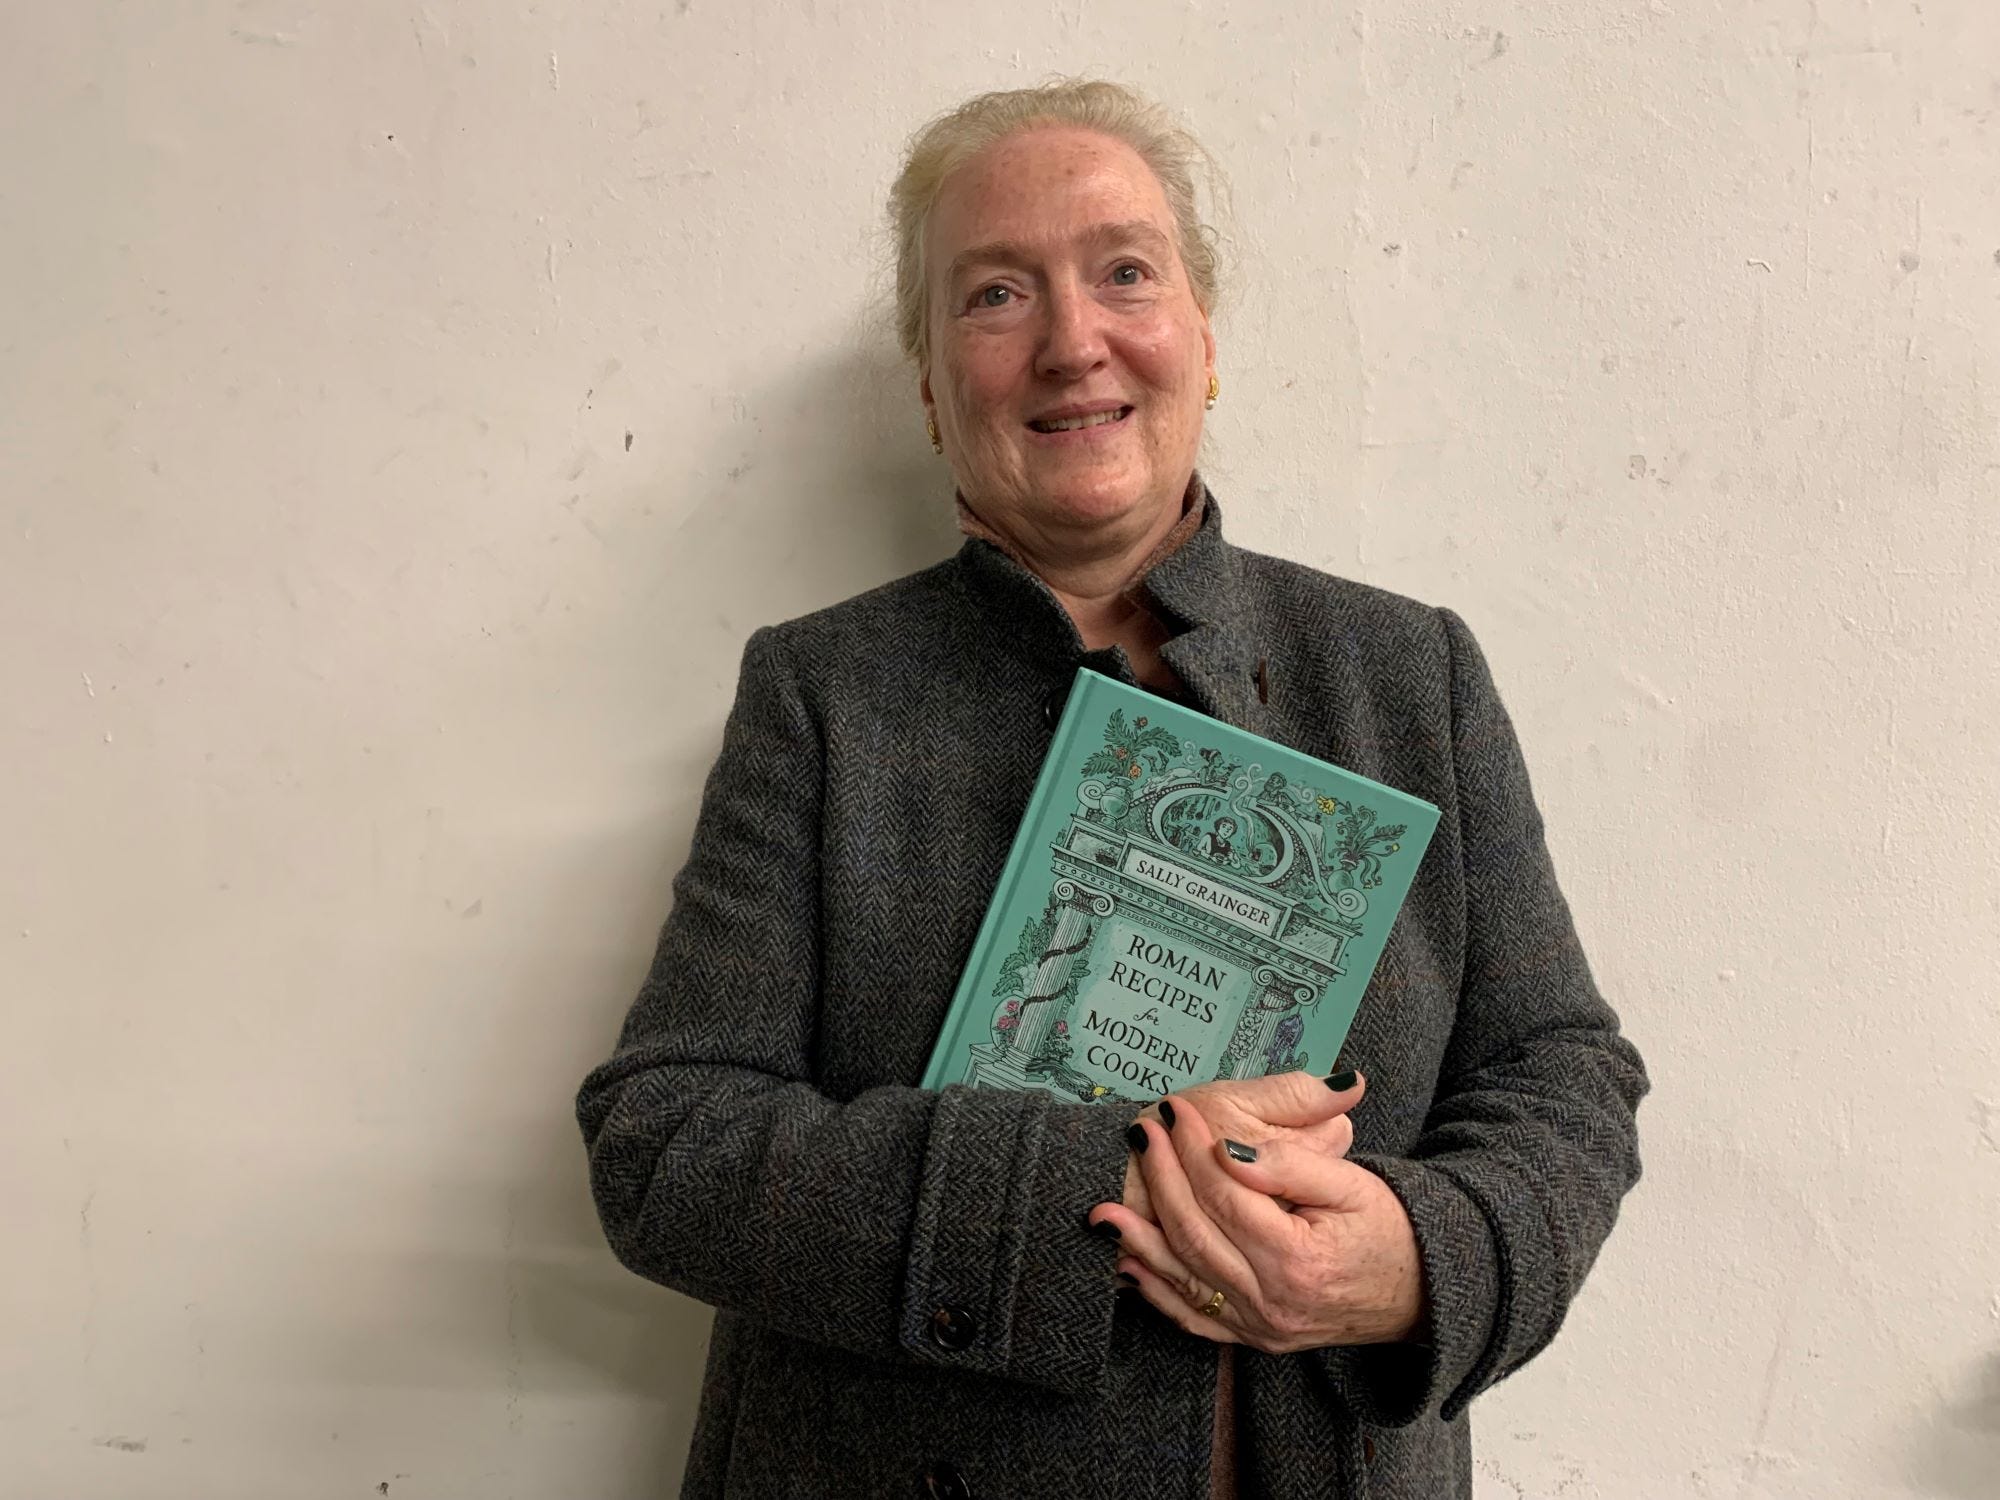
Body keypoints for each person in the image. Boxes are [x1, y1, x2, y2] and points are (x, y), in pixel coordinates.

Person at [574, 78, 1648, 1500]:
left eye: (1125, 273)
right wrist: (1098, 1189)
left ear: (1205, 337)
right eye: (996, 295)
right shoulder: (822, 694)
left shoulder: (1410, 674)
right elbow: (665, 1143)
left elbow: (1563, 1076)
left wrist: (1415, 1260)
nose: (1073, 342)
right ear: (932, 386)